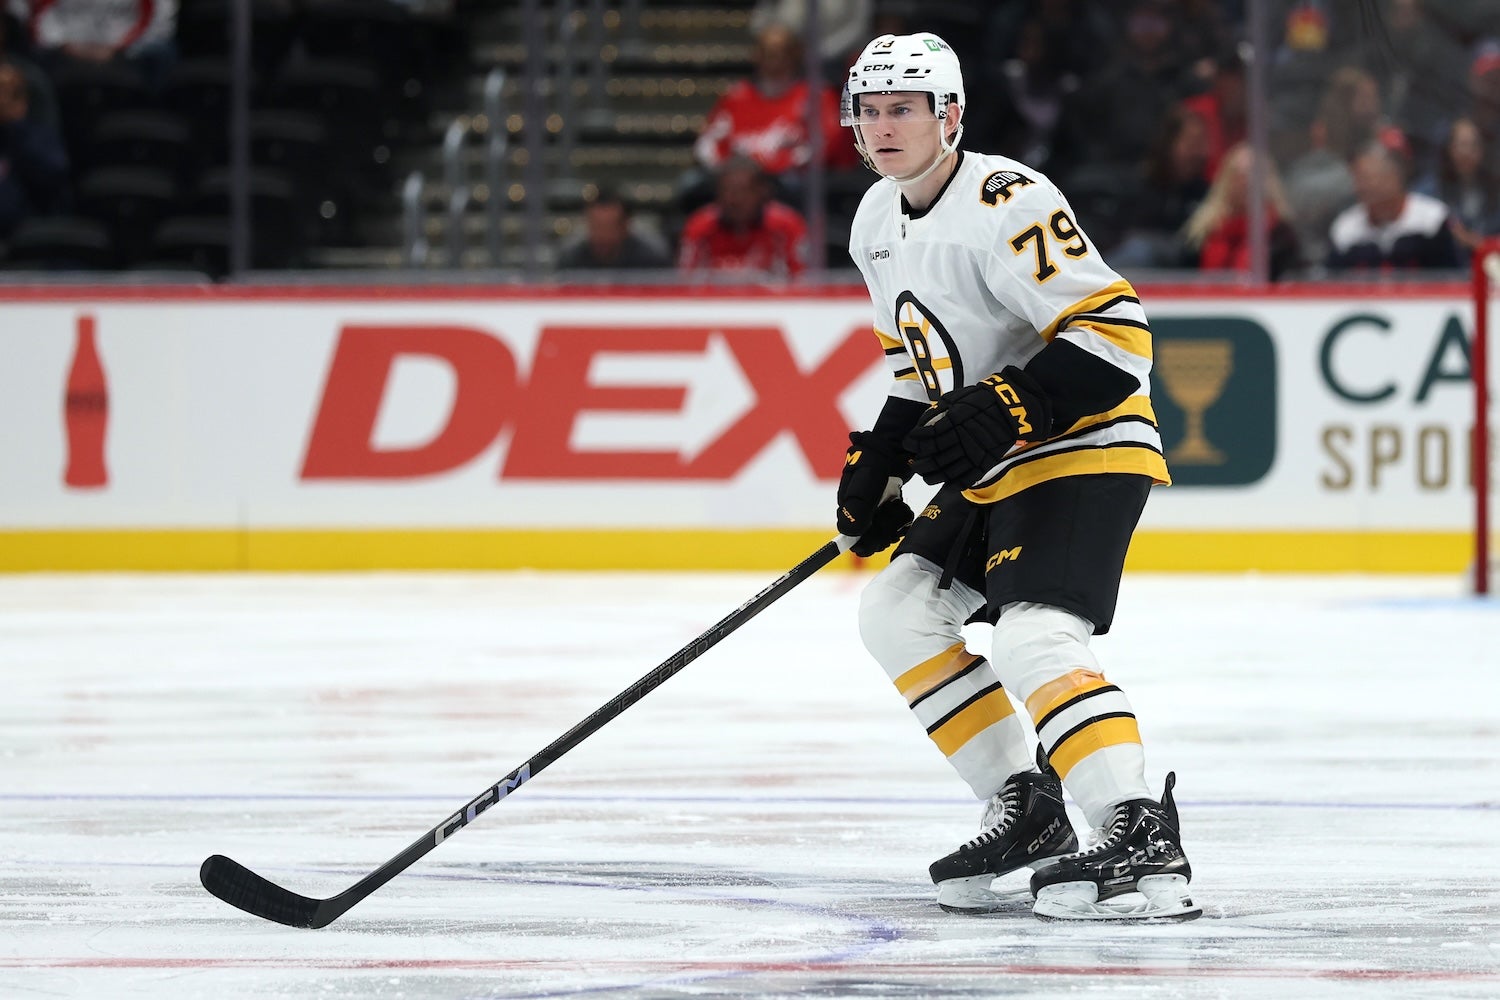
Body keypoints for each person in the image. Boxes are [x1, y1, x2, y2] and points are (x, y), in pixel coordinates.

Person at [834, 31, 1199, 921]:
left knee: (1037, 636)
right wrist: (880, 465)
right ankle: (1028, 807)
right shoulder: (874, 222)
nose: (883, 126)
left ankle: (1135, 823)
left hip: (1086, 442)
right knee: (897, 612)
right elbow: (921, 374)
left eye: (903, 109)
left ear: (949, 115)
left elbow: (1119, 340)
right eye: (869, 111)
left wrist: (1009, 408)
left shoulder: (1008, 199)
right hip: (1004, 457)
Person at [1326, 137, 1460, 271]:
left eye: (1367, 178)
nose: (1360, 186)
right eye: (1357, 178)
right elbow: (1332, 283)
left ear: (1394, 178)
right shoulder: (1345, 229)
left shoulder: (1432, 220)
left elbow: (1450, 279)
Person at [1181, 142, 1302, 279]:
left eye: (1254, 173)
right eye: (1239, 174)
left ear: (1268, 181)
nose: (1246, 181)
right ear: (1225, 180)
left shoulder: (1281, 236)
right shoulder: (1204, 231)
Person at [677, 156, 808, 279]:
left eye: (743, 191)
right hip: (714, 302)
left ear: (762, 192)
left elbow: (801, 279)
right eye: (727, 191)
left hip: (772, 302)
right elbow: (685, 281)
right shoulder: (699, 226)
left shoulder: (787, 225)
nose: (734, 200)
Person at [0, 56, 69, 239]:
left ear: (22, 102)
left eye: (8, 93)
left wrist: (15, 126)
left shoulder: (37, 136)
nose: (2, 101)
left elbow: (53, 173)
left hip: (26, 238)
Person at [557, 186, 671, 272]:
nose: (602, 235)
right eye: (597, 226)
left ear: (625, 225)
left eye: (609, 227)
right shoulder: (571, 260)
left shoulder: (650, 260)